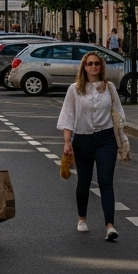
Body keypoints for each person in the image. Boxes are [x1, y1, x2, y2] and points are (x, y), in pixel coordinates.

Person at [58, 51, 123, 241]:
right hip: (83, 139)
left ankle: (109, 225)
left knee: (106, 182)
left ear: (101, 67)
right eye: (90, 64)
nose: (94, 67)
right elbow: (68, 115)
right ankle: (82, 218)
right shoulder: (75, 89)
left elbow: (118, 114)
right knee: (84, 181)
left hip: (106, 139)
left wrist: (121, 138)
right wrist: (67, 142)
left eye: (97, 64)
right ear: (84, 67)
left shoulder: (109, 88)